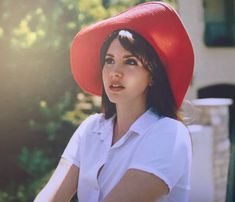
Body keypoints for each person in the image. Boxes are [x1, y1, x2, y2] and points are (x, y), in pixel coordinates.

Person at [34, 1, 194, 202]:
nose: (115, 72)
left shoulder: (169, 133)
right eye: (109, 60)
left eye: (130, 61)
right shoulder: (90, 129)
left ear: (152, 75)